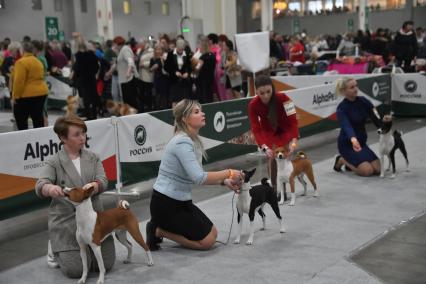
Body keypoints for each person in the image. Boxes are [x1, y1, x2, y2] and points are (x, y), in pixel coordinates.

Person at [146, 99, 243, 251]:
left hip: (181, 201)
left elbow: (197, 176)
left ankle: (161, 228)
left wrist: (224, 182)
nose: (202, 114)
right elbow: (199, 178)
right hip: (165, 204)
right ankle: (157, 230)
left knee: (213, 234)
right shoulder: (182, 142)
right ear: (184, 118)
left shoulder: (192, 140)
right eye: (196, 112)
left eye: (201, 110)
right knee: (207, 242)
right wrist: (229, 172)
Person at [35, 115, 115, 278]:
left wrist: (95, 185)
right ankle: (54, 248)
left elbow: (103, 181)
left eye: (84, 133)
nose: (82, 138)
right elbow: (40, 185)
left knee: (107, 263)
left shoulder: (93, 157)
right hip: (67, 221)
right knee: (75, 271)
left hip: (94, 219)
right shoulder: (54, 161)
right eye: (77, 134)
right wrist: (49, 188)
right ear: (63, 138)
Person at [248, 75, 299, 197]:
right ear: (256, 92)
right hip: (268, 132)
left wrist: (294, 141)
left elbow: (293, 120)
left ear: (272, 88)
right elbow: (256, 129)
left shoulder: (284, 98)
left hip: (284, 129)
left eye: (268, 92)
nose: (265, 96)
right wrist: (265, 148)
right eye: (261, 93)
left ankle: (285, 190)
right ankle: (274, 190)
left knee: (285, 159)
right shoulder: (252, 105)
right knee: (271, 159)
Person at [333, 77, 382, 176]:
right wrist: (353, 140)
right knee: (367, 171)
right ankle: (342, 160)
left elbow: (375, 115)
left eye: (356, 86)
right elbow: (347, 126)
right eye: (352, 87)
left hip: (362, 142)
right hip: (348, 144)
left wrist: (383, 128)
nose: (356, 89)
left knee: (378, 169)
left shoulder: (363, 101)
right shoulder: (341, 108)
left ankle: (352, 162)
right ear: (344, 91)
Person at [12, 41, 48, 130]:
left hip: (27, 95)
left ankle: (24, 139)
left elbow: (19, 81)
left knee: (21, 119)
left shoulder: (21, 62)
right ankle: (39, 139)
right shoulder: (38, 61)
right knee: (38, 118)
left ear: (22, 50)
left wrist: (15, 97)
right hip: (42, 93)